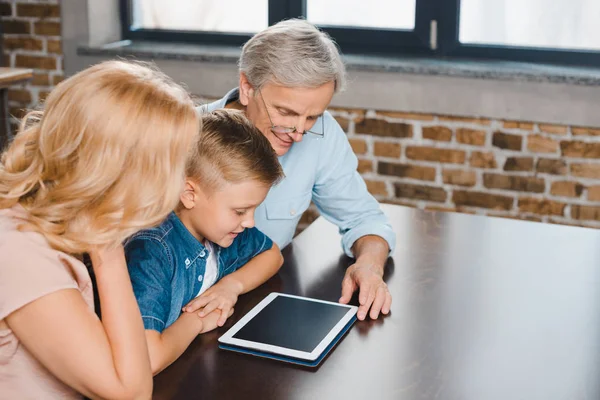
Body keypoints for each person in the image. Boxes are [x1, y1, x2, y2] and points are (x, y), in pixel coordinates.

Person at [0, 60, 199, 399]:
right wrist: (107, 242)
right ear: (125, 172)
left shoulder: (56, 217)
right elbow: (131, 392)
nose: (179, 180)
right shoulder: (18, 251)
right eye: (175, 164)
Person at [199, 19, 396, 321]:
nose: (299, 133)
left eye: (312, 116)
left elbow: (364, 218)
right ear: (247, 87)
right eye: (286, 112)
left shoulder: (323, 134)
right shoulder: (186, 134)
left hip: (267, 303)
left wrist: (369, 264)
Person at [124, 109, 285, 375]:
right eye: (240, 211)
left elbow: (273, 255)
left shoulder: (221, 231)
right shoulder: (151, 252)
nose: (250, 223)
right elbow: (146, 359)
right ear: (189, 194)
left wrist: (231, 286)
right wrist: (196, 321)